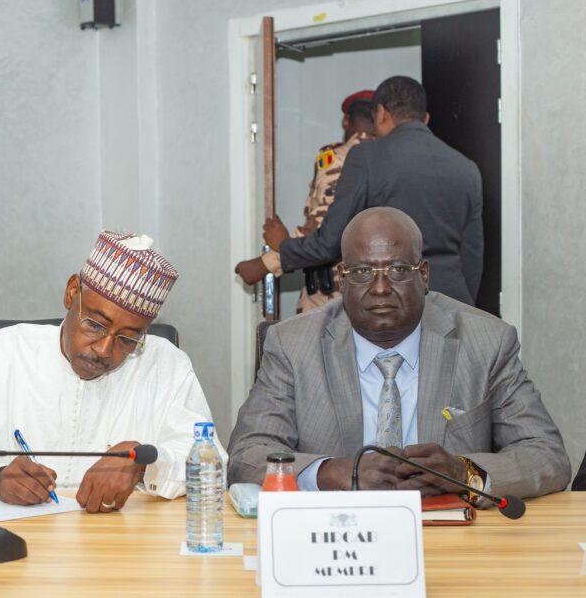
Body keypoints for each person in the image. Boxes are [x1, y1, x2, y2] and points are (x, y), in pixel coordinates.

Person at [227, 208, 569, 501]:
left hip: (452, 536)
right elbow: (246, 456)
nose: (380, 288)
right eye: (362, 273)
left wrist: (463, 473)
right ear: (342, 281)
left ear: (424, 275)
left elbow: (546, 455)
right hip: (340, 534)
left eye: (398, 271)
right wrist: (331, 473)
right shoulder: (293, 345)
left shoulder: (485, 342)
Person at [0, 230, 225, 513]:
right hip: (19, 546)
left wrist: (144, 464)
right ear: (72, 293)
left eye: (128, 340)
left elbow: (212, 465)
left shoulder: (165, 365)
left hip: (120, 548)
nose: (104, 349)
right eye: (95, 325)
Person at [261, 76, 484, 306]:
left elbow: (330, 242)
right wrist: (464, 307)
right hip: (453, 301)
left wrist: (284, 245)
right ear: (425, 119)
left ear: (381, 113)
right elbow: (472, 255)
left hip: (393, 301)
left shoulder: (365, 157)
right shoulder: (467, 168)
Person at [236, 91, 376, 313]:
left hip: (334, 293)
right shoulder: (388, 158)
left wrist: (265, 263)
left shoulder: (341, 158)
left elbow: (324, 228)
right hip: (375, 286)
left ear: (345, 120)